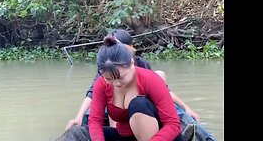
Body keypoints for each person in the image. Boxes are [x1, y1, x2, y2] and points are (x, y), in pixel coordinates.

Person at [65, 29, 199, 131]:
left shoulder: (141, 64)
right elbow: (92, 94)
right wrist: (79, 116)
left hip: (141, 110)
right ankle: (116, 132)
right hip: (118, 113)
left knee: (159, 75)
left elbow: (164, 91)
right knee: (113, 93)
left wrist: (185, 107)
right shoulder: (108, 69)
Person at [89, 35, 183, 141]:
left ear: (132, 64)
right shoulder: (101, 84)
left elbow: (174, 125)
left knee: (138, 104)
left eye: (120, 77)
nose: (116, 84)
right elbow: (95, 120)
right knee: (85, 134)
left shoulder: (150, 80)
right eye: (109, 79)